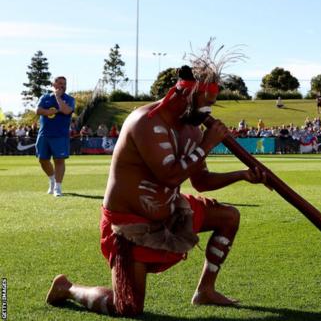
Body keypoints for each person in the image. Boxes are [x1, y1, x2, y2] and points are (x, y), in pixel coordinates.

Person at [46, 65, 268, 316]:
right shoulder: (146, 121)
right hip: (130, 226)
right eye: (204, 104)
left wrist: (243, 176)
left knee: (229, 217)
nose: (208, 112)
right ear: (183, 94)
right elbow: (170, 175)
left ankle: (205, 290)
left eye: (212, 104)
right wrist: (207, 144)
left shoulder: (192, 128)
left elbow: (201, 182)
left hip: (172, 210)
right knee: (127, 307)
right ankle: (69, 288)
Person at [35, 76, 75, 197]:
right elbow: (37, 110)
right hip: (44, 134)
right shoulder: (45, 97)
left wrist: (58, 97)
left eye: (64, 83)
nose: (62, 85)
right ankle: (52, 179)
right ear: (53, 84)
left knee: (59, 160)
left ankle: (58, 187)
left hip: (60, 135)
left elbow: (66, 111)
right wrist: (48, 112)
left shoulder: (69, 99)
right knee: (42, 160)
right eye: (60, 83)